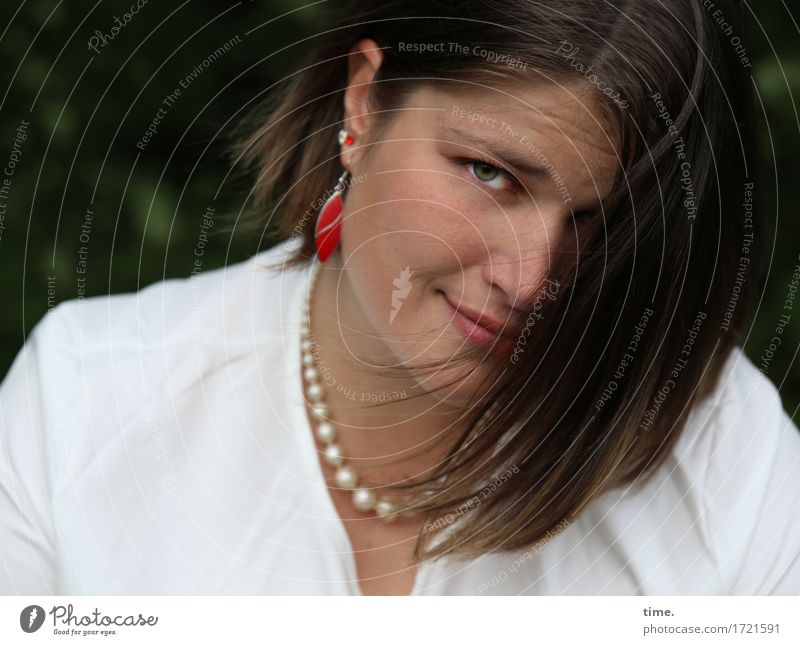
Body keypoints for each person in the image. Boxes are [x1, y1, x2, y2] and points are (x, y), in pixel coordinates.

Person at [2, 0, 799, 595]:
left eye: (599, 223)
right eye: (490, 172)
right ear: (363, 100)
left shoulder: (731, 464)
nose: (529, 281)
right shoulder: (80, 407)